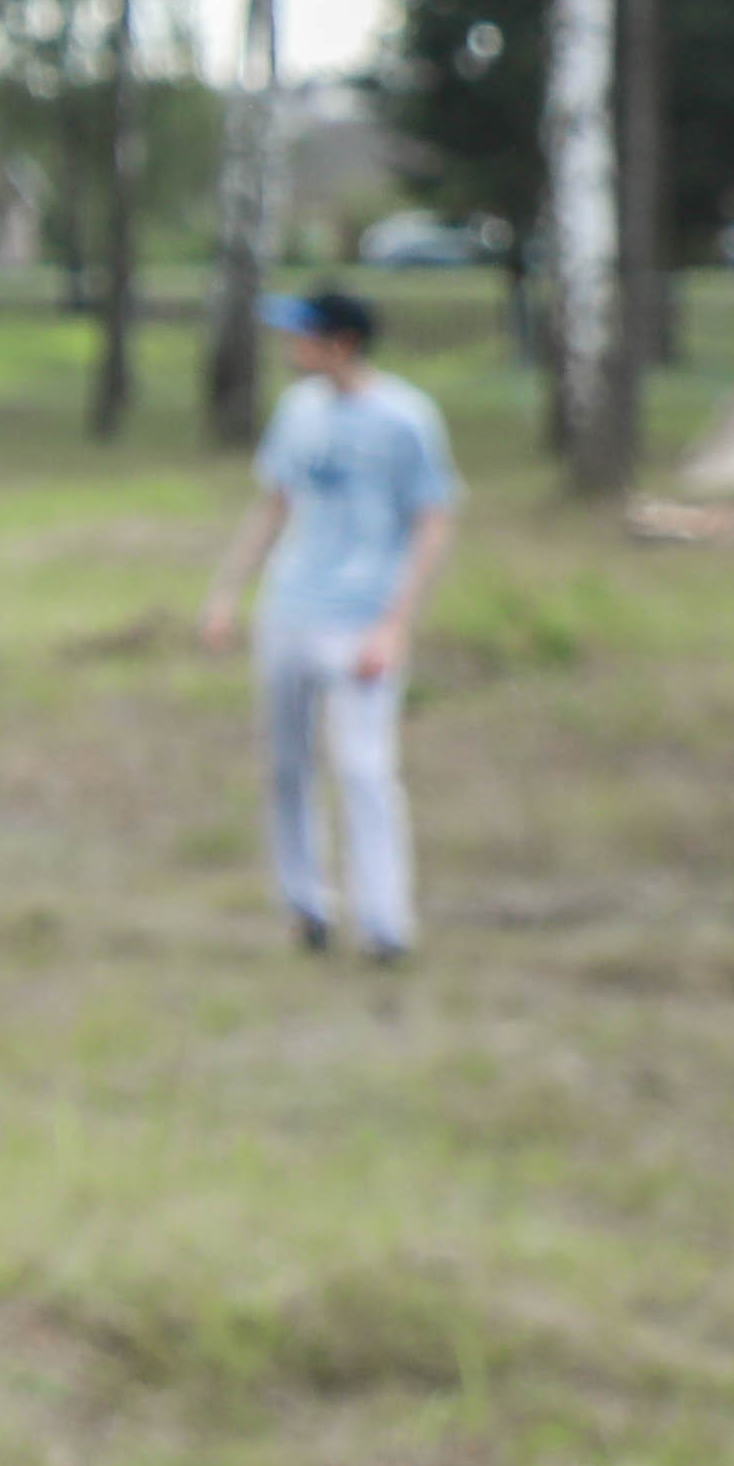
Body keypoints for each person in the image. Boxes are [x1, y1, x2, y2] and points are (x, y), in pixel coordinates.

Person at [197, 287, 461, 963]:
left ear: (340, 342)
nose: (291, 349)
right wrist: (228, 593)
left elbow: (432, 519)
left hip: (359, 619)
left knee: (363, 767)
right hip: (288, 611)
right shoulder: (296, 411)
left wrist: (394, 624)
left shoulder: (404, 417)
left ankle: (385, 923)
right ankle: (306, 906)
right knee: (285, 767)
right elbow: (274, 504)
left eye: (303, 336)